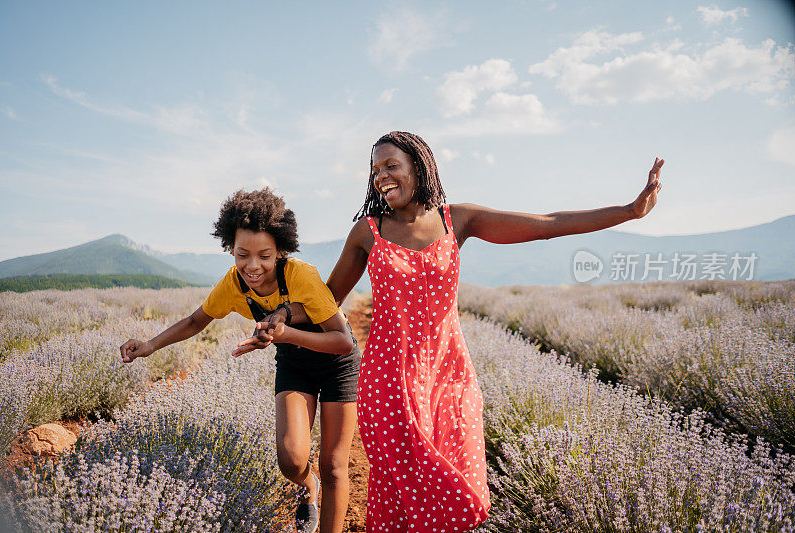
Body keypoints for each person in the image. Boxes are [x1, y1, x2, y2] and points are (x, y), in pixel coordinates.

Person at [261, 131, 664, 531]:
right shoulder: (369, 232)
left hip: (449, 376)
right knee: (405, 495)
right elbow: (328, 299)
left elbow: (545, 224)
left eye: (391, 166)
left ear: (419, 167)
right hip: (389, 382)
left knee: (463, 487)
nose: (381, 176)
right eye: (375, 170)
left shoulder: (459, 219)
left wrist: (627, 211)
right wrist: (283, 313)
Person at [119, 188, 361, 533]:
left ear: (280, 250)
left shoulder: (300, 276)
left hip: (338, 363)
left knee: (335, 465)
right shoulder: (233, 285)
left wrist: (284, 334)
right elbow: (194, 321)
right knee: (291, 461)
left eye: (264, 255)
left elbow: (342, 341)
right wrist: (151, 345)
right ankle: (309, 486)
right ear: (230, 249)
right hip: (295, 364)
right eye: (242, 254)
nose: (252, 265)